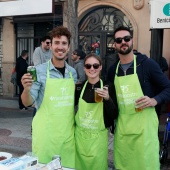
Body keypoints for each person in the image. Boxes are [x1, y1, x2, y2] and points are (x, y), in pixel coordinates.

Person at [107, 26, 170, 170]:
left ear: (132, 41)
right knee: (124, 164)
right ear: (115, 45)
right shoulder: (112, 70)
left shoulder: (147, 64)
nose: (123, 42)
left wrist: (154, 100)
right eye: (119, 40)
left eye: (126, 39)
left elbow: (168, 88)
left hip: (144, 130)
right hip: (123, 129)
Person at [21, 26, 77, 168]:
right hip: (45, 136)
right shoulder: (39, 71)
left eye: (64, 43)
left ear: (68, 47)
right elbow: (28, 102)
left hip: (67, 136)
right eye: (56, 43)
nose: (60, 47)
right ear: (50, 46)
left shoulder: (73, 73)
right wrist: (26, 90)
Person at [75, 53, 118, 170]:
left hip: (98, 140)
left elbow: (114, 114)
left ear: (100, 67)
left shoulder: (108, 86)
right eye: (88, 66)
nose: (92, 69)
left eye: (95, 65)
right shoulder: (80, 87)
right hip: (80, 139)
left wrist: (108, 99)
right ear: (84, 68)